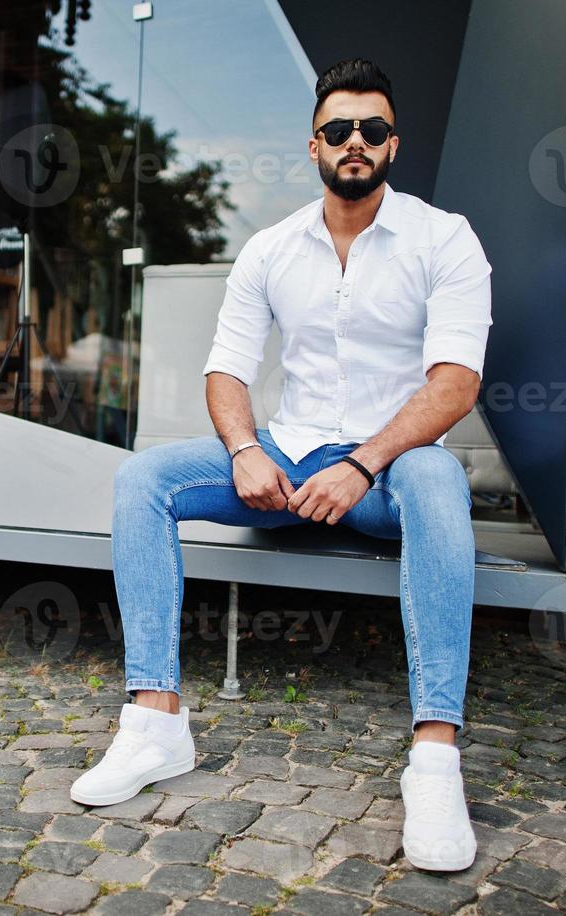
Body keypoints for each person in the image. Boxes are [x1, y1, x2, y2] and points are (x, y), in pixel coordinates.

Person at [69, 58, 493, 873]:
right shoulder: (270, 248)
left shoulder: (445, 238)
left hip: (389, 470)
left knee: (440, 481)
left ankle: (434, 758)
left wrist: (364, 465)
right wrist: (244, 448)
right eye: (339, 130)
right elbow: (225, 369)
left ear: (393, 144)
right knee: (142, 479)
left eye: (372, 128)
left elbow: (454, 384)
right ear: (314, 145)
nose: (355, 142)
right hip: (288, 458)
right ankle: (155, 722)